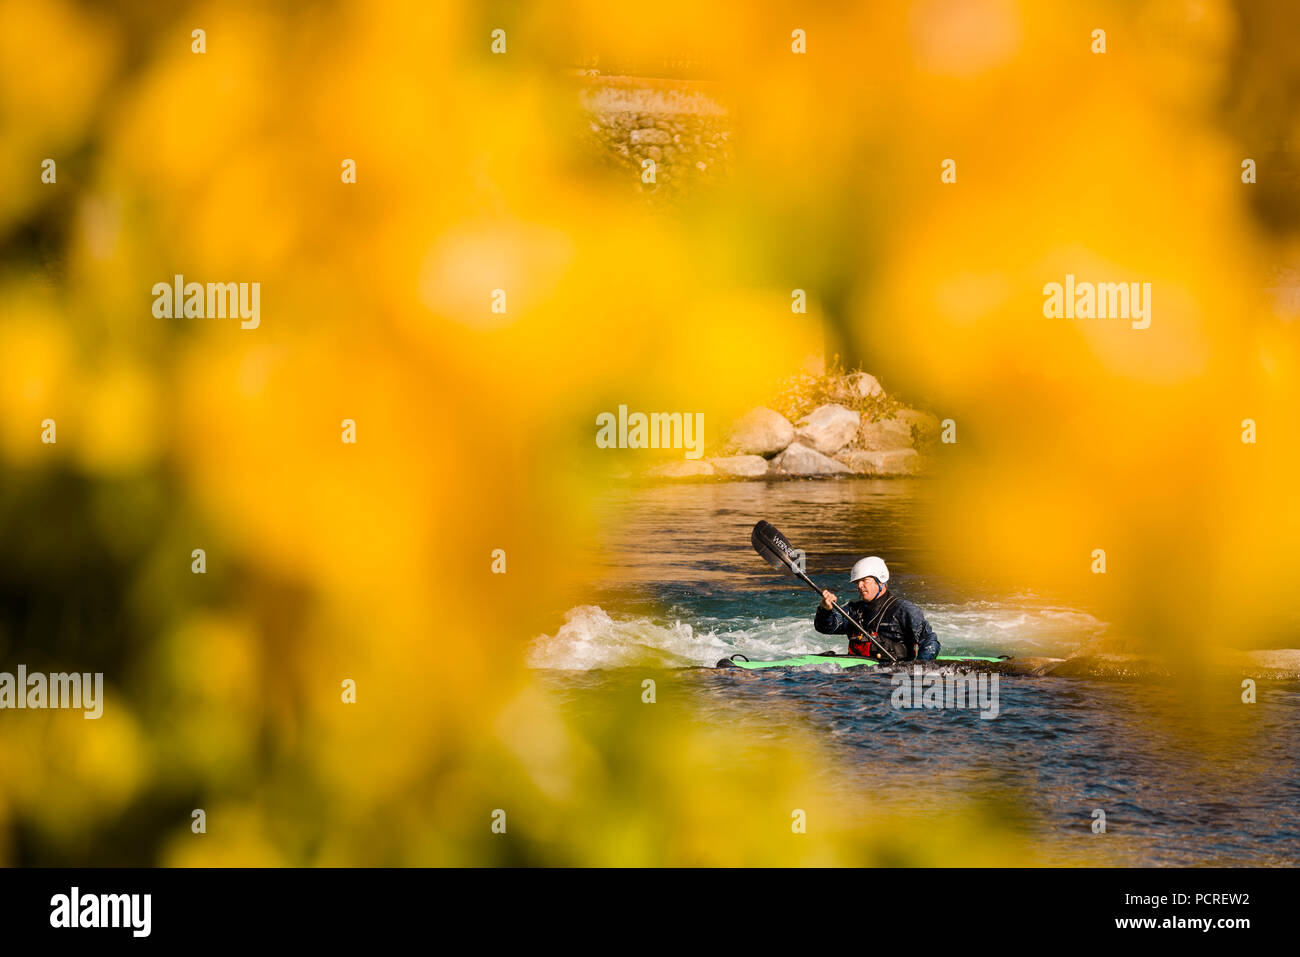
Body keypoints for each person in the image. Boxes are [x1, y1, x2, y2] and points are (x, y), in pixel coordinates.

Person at [814, 556, 940, 661]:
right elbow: (826, 628)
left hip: (891, 675)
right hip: (859, 675)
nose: (859, 586)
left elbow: (930, 641)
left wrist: (919, 668)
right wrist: (825, 610)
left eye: (864, 580)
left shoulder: (904, 610)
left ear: (880, 580)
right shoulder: (853, 610)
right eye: (857, 582)